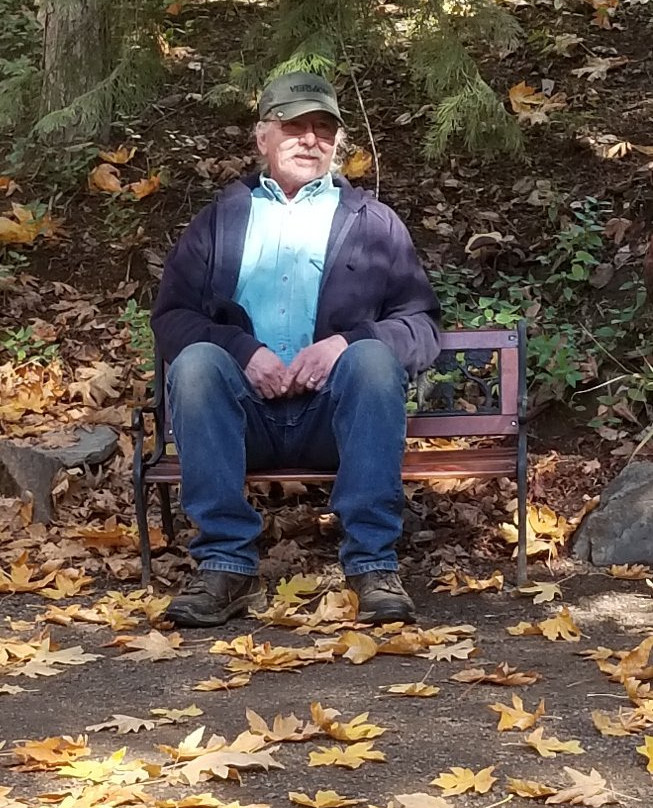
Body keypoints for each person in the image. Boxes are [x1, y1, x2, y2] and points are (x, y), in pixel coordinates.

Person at [151, 71, 441, 628]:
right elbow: (172, 319)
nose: (311, 140)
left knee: (373, 360)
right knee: (195, 364)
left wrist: (347, 344)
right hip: (243, 422)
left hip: (334, 421)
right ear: (263, 136)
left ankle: (373, 566)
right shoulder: (219, 220)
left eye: (324, 129)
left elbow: (421, 323)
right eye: (295, 126)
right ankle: (225, 565)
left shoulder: (373, 223)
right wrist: (240, 349)